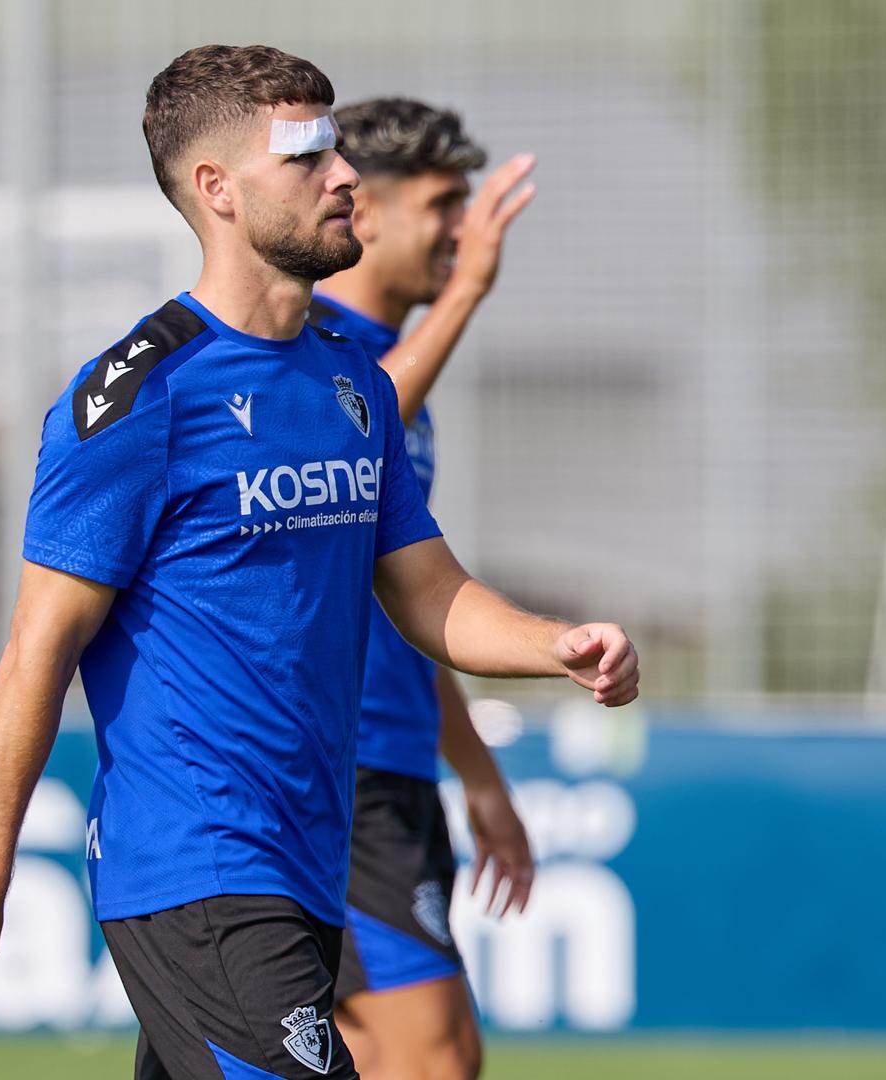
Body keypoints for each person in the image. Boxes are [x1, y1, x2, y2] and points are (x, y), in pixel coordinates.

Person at [0, 45, 638, 1080]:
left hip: (305, 860)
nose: (343, 178)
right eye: (307, 158)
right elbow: (36, 648)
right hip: (199, 867)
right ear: (218, 191)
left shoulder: (353, 386)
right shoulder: (138, 396)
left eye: (339, 151)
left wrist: (558, 644)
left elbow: (431, 594)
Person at [308, 98, 537, 1080]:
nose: (462, 228)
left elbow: (411, 612)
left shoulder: (398, 383)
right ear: (364, 213)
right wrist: (467, 293)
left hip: (397, 771)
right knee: (434, 1061)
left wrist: (478, 775)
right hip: (339, 774)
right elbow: (347, 429)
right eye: (444, 203)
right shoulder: (316, 355)